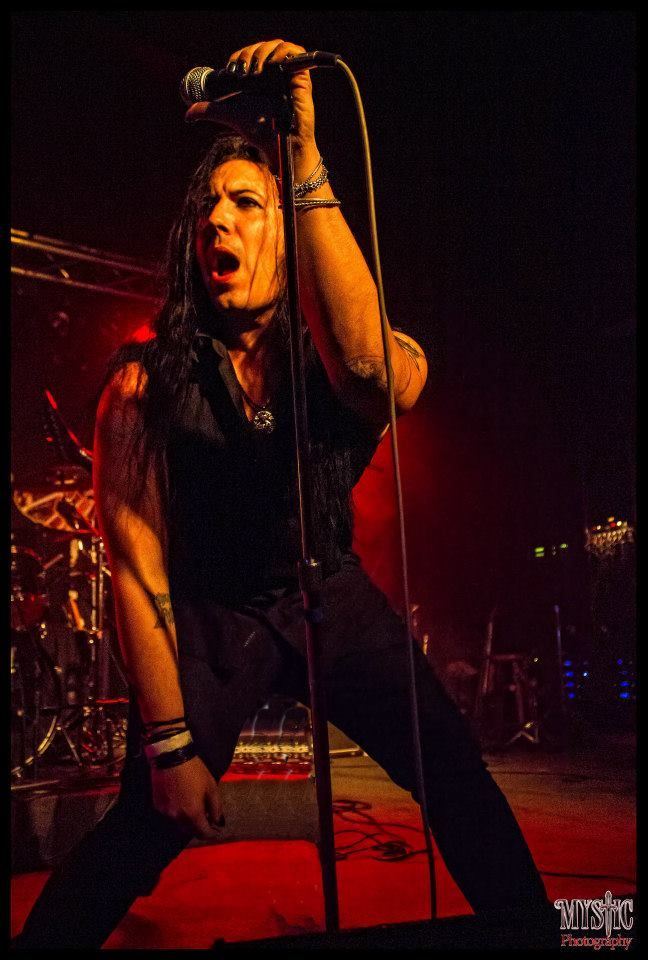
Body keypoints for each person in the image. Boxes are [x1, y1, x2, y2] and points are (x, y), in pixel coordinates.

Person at [15, 40, 554, 949]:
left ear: (289, 230)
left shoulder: (333, 357)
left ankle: (538, 933)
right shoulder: (143, 386)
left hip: (329, 591)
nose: (218, 221)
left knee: (455, 775)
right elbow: (137, 572)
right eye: (207, 208)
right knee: (149, 823)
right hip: (215, 616)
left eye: (245, 203)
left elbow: (374, 372)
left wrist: (298, 150)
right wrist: (172, 746)